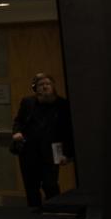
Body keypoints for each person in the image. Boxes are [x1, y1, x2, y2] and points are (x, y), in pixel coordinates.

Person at [11, 73, 74, 209]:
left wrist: (67, 154)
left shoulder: (62, 104)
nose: (45, 87)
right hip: (29, 151)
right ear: (35, 88)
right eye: (41, 84)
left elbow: (68, 132)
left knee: (50, 184)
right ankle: (34, 215)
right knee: (31, 186)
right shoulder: (28, 102)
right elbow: (19, 121)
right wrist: (17, 132)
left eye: (48, 84)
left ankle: (55, 211)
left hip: (52, 150)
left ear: (53, 87)